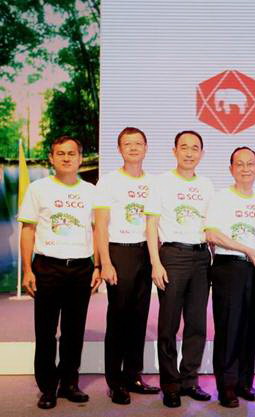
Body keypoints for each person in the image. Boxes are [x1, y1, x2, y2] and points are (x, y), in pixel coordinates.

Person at [18, 136, 101, 409]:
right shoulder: (38, 189)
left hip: (81, 268)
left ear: (80, 158)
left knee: (73, 331)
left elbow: (97, 230)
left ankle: (69, 383)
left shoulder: (91, 191)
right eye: (60, 153)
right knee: (45, 332)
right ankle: (48, 388)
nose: (66, 158)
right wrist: (28, 269)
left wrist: (97, 265)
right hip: (47, 268)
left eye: (71, 153)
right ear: (51, 158)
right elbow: (28, 230)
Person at [145, 130, 215, 408]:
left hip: (201, 257)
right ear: (174, 151)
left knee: (197, 324)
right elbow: (151, 225)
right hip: (172, 256)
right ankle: (170, 384)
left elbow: (213, 226)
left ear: (202, 154)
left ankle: (189, 380)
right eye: (184, 147)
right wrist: (155, 263)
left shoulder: (207, 185)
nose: (189, 153)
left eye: (195, 148)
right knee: (169, 324)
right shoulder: (161, 182)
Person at [94, 127, 160, 405]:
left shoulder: (155, 182)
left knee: (139, 317)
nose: (133, 148)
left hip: (146, 252)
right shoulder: (109, 182)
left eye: (138, 143)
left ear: (146, 148)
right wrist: (105, 263)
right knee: (119, 318)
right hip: (119, 252)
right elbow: (100, 225)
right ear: (119, 149)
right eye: (127, 144)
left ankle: (133, 376)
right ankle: (115, 382)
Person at [204, 147, 255, 408]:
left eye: (250, 163)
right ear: (231, 169)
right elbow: (212, 234)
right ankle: (227, 387)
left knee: (251, 329)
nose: (245, 168)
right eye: (239, 164)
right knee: (229, 328)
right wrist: (245, 249)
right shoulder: (221, 198)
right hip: (229, 267)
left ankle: (244, 383)